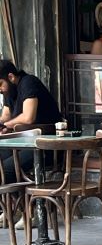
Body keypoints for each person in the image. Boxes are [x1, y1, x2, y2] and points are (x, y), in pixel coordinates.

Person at [0, 61, 62, 191]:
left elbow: (28, 117)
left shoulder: (28, 82)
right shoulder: (9, 92)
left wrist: (5, 125)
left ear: (10, 77)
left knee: (4, 171)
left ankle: (20, 206)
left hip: (45, 147)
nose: (0, 89)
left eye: (0, 84)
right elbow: (5, 117)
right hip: (23, 145)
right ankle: (17, 206)